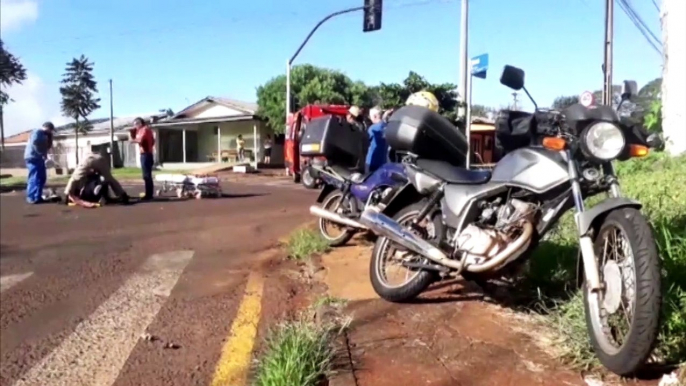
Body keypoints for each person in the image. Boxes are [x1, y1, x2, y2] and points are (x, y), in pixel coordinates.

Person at [64, 152, 130, 208]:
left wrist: (69, 195)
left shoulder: (83, 167)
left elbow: (75, 179)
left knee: (75, 178)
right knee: (109, 178)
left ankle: (67, 196)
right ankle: (122, 194)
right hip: (100, 158)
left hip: (88, 159)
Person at [24, 122, 55, 204]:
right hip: (33, 157)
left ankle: (38, 196)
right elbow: (35, 143)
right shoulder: (37, 132)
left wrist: (46, 156)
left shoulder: (45, 135)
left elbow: (45, 147)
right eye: (49, 129)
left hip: (40, 158)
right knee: (35, 177)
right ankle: (31, 197)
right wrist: (42, 154)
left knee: (42, 178)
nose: (49, 132)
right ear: (46, 127)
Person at [130, 117, 155, 200]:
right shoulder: (142, 130)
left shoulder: (144, 130)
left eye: (135, 124)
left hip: (146, 154)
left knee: (147, 175)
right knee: (146, 175)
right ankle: (149, 193)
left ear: (140, 123)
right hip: (146, 153)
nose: (135, 126)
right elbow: (152, 141)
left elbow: (140, 140)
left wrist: (132, 139)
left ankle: (149, 195)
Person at [365, 106, 389, 174]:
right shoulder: (387, 127)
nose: (370, 119)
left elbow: (365, 142)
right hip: (383, 161)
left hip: (372, 160)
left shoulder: (372, 129)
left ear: (375, 116)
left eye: (370, 117)